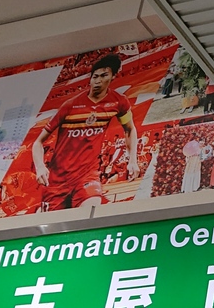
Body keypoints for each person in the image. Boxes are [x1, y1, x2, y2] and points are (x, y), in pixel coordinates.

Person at [32, 54, 138, 212]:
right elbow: (38, 142)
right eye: (95, 76)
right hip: (57, 181)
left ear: (113, 76)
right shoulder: (70, 105)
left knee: (91, 212)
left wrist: (133, 160)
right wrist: (40, 167)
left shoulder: (118, 102)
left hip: (87, 175)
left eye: (104, 76)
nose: (98, 81)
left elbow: (130, 129)